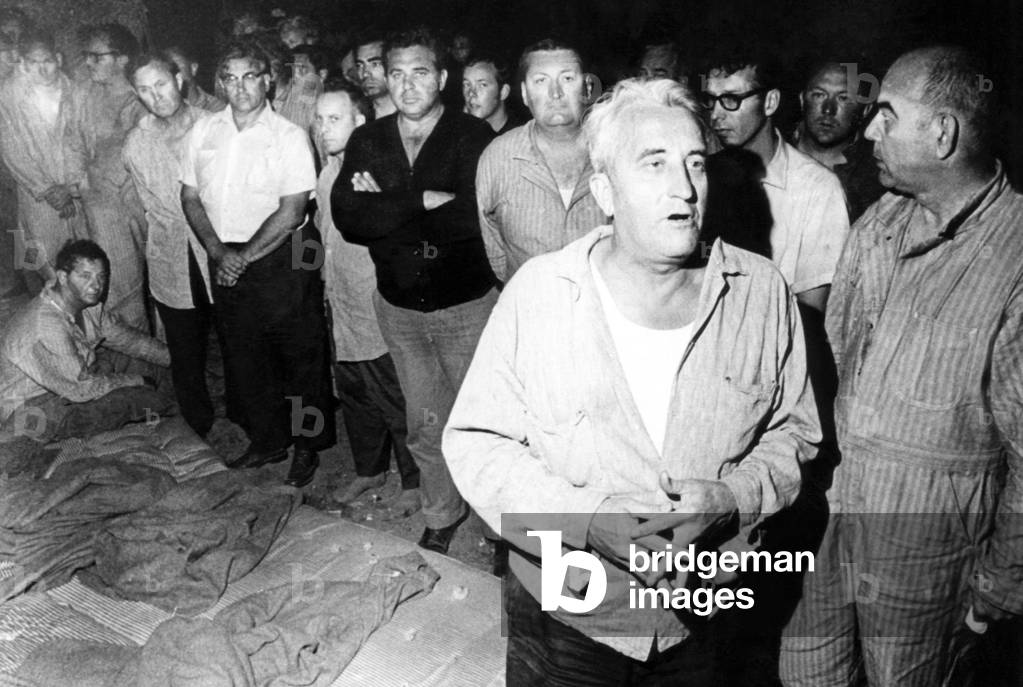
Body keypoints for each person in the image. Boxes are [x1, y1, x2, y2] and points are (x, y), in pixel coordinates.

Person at [444, 78, 820, 686]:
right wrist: (589, 520)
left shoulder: (761, 292)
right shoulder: (540, 293)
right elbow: (476, 445)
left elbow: (796, 434)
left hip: (705, 611)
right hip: (570, 612)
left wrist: (732, 498)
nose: (685, 187)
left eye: (695, 163)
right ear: (605, 192)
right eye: (654, 164)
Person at [780, 46, 1023, 687]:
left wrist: (1002, 583)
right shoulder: (878, 225)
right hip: (839, 525)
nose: (868, 130)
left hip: (933, 562)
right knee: (804, 672)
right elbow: (830, 368)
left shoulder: (1015, 258)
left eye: (887, 114)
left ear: (942, 133)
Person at [333, 26, 497, 554]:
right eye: (396, 73)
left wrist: (387, 204)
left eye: (420, 72)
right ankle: (442, 511)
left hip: (466, 307)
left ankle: (499, 528)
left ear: (442, 77)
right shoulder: (367, 140)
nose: (406, 85)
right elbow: (348, 218)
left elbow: (468, 222)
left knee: (487, 425)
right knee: (426, 424)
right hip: (400, 309)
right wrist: (419, 199)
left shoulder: (473, 138)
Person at [181, 38, 335, 486]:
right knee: (245, 355)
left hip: (277, 258)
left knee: (298, 357)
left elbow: (291, 211)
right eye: (230, 77)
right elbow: (189, 197)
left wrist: (242, 257)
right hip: (222, 254)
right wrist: (217, 252)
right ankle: (268, 439)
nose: (240, 86)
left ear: (267, 79)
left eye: (250, 75)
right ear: (221, 82)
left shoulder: (287, 135)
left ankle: (308, 445)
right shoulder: (204, 130)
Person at [313, 80, 421, 514]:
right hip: (340, 303)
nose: (323, 128)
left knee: (396, 396)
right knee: (355, 393)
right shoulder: (326, 173)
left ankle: (416, 482)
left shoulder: (377, 170)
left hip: (376, 305)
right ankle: (369, 469)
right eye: (319, 120)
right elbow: (323, 237)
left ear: (361, 121)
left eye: (334, 119)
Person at [702, 52, 849, 315]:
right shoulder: (701, 177)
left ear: (770, 102)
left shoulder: (819, 190)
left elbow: (811, 316)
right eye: (711, 101)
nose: (716, 116)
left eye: (731, 100)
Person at [124, 52, 215, 438]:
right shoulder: (135, 143)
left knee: (237, 339)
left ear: (179, 79)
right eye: (144, 89)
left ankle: (252, 418)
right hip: (170, 258)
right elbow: (141, 207)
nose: (155, 96)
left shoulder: (214, 127)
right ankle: (199, 427)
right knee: (184, 349)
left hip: (217, 249)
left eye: (160, 83)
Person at [0, 239, 170, 443]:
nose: (96, 285)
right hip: (30, 409)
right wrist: (136, 381)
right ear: (62, 277)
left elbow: (131, 341)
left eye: (101, 276)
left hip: (66, 384)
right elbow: (80, 389)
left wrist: (176, 359)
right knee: (132, 399)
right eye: (85, 276)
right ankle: (168, 413)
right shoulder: (44, 324)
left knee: (142, 364)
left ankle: (175, 408)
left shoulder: (87, 306)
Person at [475, 39, 607, 283]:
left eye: (567, 79)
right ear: (525, 93)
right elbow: (494, 246)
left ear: (587, 89)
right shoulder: (498, 157)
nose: (555, 93)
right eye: (541, 81)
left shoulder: (614, 152)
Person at [65, 22, 149, 338]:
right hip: (90, 205)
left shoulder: (136, 104)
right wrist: (76, 178)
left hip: (119, 212)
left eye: (97, 57)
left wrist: (90, 179)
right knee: (94, 288)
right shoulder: (85, 93)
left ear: (122, 59)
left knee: (124, 289)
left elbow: (120, 162)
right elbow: (72, 139)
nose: (89, 63)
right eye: (87, 55)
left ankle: (142, 362)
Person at [0, 30, 87, 288]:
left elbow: (82, 143)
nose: (43, 69)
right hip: (38, 199)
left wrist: (69, 188)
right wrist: (49, 190)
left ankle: (90, 326)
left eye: (47, 61)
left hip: (75, 196)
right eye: (34, 64)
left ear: (58, 59)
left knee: (82, 263)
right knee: (41, 264)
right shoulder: (10, 97)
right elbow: (13, 150)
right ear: (24, 65)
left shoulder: (76, 92)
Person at [791, 60, 885, 221]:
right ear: (802, 100)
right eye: (819, 95)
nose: (828, 109)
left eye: (843, 98)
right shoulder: (770, 153)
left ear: (865, 110)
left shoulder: (876, 180)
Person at [462, 52, 524, 136]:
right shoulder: (460, 133)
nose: (471, 93)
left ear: (503, 92)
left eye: (482, 85)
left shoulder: (519, 137)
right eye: (467, 84)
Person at [164, 45, 227, 112]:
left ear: (193, 68)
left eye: (177, 67)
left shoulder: (216, 108)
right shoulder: (162, 109)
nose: (174, 75)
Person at [352, 31, 395, 120]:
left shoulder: (413, 116)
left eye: (375, 64)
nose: (365, 73)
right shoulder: (357, 117)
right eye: (360, 65)